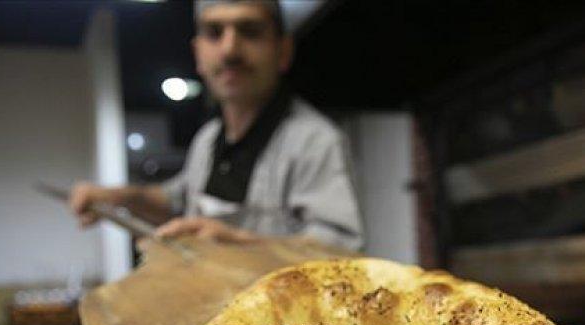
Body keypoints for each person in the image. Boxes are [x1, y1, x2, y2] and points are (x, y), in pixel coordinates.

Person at [70, 0, 364, 251]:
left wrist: (238, 243)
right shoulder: (208, 140)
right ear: (198, 52)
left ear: (283, 51)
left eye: (250, 31)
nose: (230, 49)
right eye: (214, 32)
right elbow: (177, 198)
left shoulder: (315, 141)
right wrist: (117, 197)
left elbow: (342, 249)